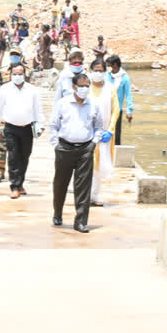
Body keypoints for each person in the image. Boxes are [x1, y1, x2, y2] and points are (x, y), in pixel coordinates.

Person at [49, 73, 104, 233]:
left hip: (85, 149)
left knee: (83, 186)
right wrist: (55, 145)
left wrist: (94, 142)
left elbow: (99, 126)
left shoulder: (93, 105)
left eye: (87, 86)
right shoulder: (63, 103)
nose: (85, 89)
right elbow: (53, 125)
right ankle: (57, 212)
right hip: (64, 148)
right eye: (82, 86)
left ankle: (80, 221)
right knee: (60, 184)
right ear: (74, 86)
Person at [0, 64, 44, 199]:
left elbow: (38, 110)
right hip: (11, 128)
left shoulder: (32, 90)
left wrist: (41, 125)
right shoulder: (4, 89)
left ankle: (20, 183)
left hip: (27, 128)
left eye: (20, 73)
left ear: (25, 74)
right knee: (13, 156)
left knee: (25, 156)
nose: (17, 76)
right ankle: (15, 186)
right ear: (10, 75)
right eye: (14, 74)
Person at [88, 59, 119, 207]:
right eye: (96, 70)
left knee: (99, 166)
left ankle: (95, 195)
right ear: (90, 70)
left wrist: (110, 130)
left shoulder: (110, 88)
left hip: (104, 134)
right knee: (87, 164)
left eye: (101, 70)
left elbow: (116, 110)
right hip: (87, 134)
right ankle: (85, 194)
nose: (98, 73)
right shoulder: (85, 87)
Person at [105, 55, 134, 145]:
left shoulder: (124, 78)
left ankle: (115, 153)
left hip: (117, 109)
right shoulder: (107, 75)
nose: (109, 68)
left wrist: (129, 110)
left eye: (110, 65)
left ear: (115, 65)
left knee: (116, 134)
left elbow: (128, 94)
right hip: (105, 108)